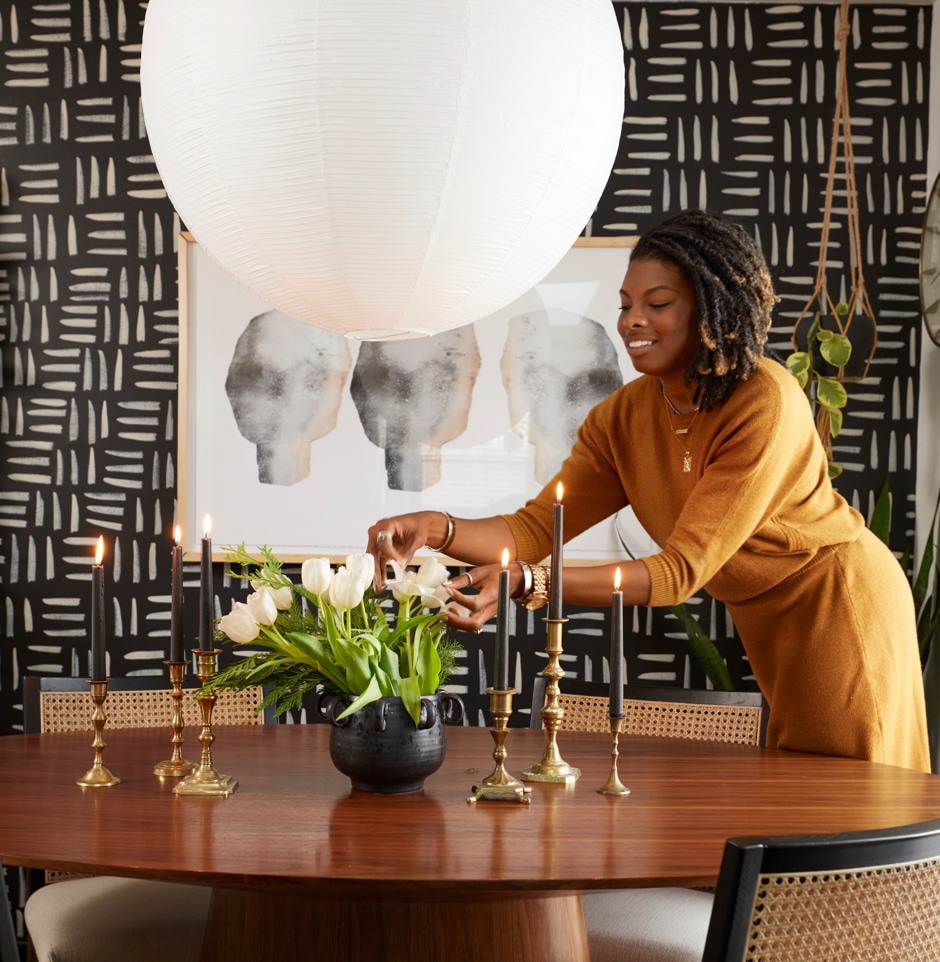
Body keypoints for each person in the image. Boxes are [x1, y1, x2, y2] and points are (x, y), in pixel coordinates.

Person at [367, 209, 930, 773]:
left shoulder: (765, 401)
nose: (633, 320)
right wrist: (435, 528)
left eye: (657, 304)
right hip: (765, 618)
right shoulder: (623, 416)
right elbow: (535, 529)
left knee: (847, 798)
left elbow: (677, 573)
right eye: (625, 304)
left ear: (712, 307)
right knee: (800, 800)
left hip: (836, 599)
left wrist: (526, 583)